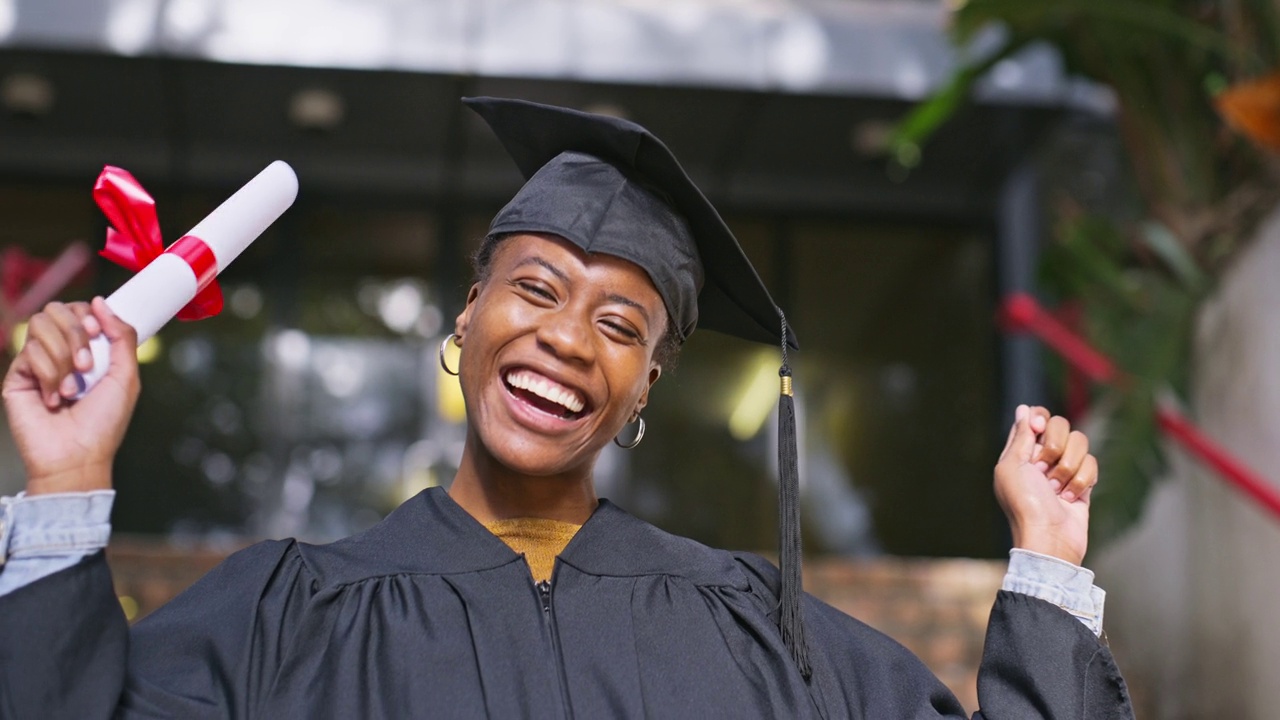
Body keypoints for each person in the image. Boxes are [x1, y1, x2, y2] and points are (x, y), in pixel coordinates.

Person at [0, 98, 1133, 719]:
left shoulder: (762, 634)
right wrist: (63, 483)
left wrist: (1042, 555)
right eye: (534, 288)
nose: (562, 338)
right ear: (466, 317)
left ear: (646, 384)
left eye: (620, 323)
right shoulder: (281, 615)